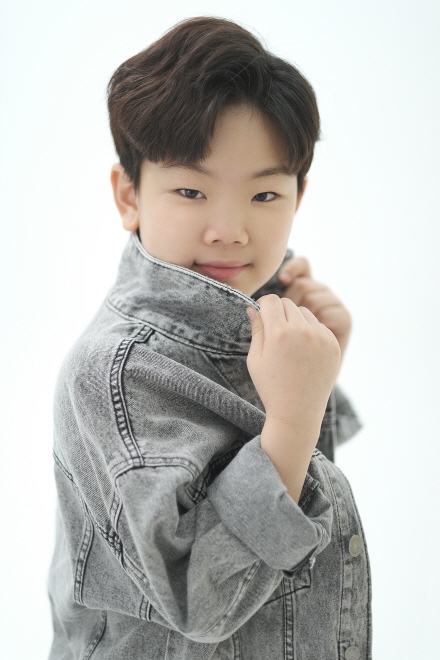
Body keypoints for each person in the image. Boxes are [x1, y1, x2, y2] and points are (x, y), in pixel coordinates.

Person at [47, 15, 371, 660]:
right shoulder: (116, 370)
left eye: (265, 194)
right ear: (129, 195)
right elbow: (202, 600)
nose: (230, 229)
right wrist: (295, 413)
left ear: (299, 196)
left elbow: (299, 517)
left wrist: (319, 370)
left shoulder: (261, 312)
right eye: (191, 190)